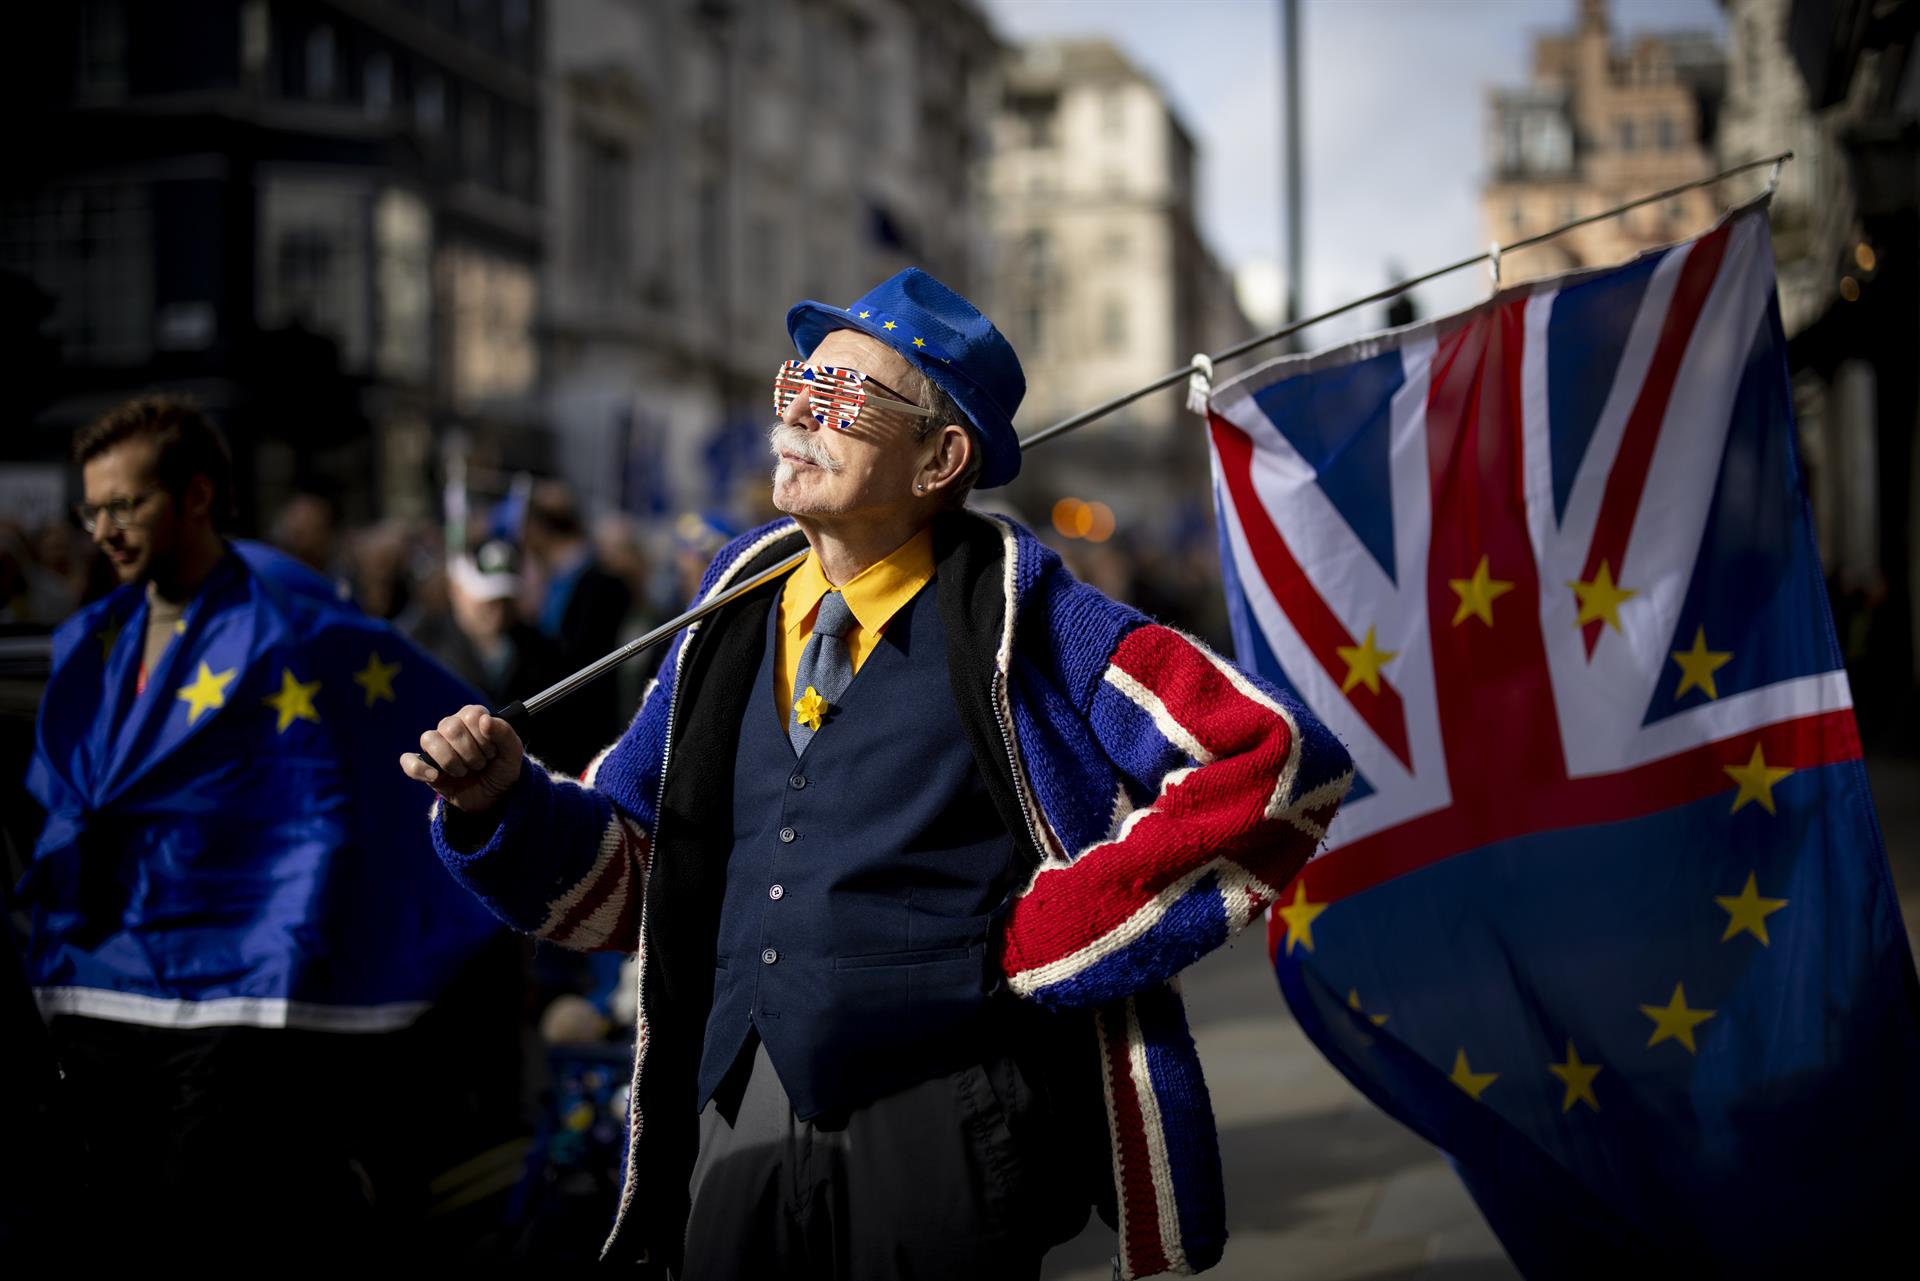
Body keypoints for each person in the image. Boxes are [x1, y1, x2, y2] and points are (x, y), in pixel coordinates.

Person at [403, 270, 1354, 1279]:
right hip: (737, 1115)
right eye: (794, 389)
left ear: (943, 457)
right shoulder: (722, 620)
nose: (800, 419)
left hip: (946, 1124)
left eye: (845, 398)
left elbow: (1276, 761)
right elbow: (632, 871)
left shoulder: (1030, 619)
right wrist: (501, 804)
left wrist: (1052, 935)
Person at [19, 395, 506, 1264]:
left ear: (196, 496)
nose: (102, 530)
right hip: (98, 991)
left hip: (234, 1003)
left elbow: (363, 782)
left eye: (124, 505)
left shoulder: (292, 633)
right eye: (91, 510)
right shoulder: (90, 642)